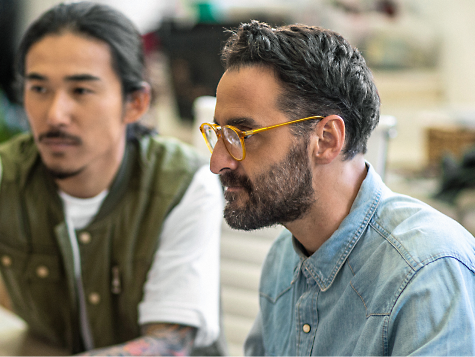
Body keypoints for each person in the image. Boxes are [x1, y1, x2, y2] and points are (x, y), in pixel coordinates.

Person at [0, 2, 226, 356]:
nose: (55, 114)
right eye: (39, 89)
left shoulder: (184, 184)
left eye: (81, 91)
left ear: (135, 102)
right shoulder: (0, 173)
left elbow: (167, 346)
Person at [200, 20, 475, 356]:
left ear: (326, 140)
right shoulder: (283, 260)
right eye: (218, 134)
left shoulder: (426, 271)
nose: (217, 162)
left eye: (242, 136)